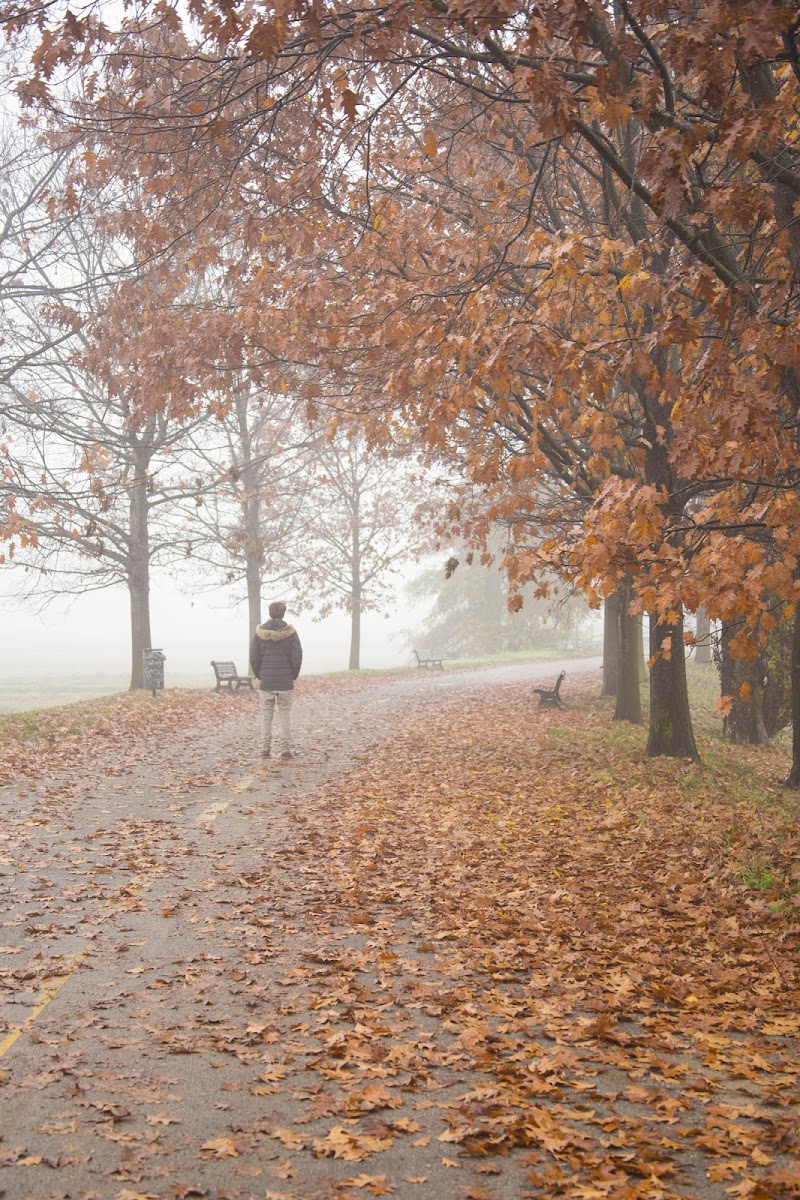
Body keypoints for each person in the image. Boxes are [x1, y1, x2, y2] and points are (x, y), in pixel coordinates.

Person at [249, 601, 303, 761]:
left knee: (266, 716)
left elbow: (254, 657)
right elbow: (297, 656)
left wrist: (261, 675)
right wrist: (293, 675)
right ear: (283, 613)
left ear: (270, 613)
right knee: (285, 715)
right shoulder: (291, 633)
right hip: (285, 682)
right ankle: (285, 751)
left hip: (266, 682)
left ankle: (265, 750)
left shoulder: (259, 634)